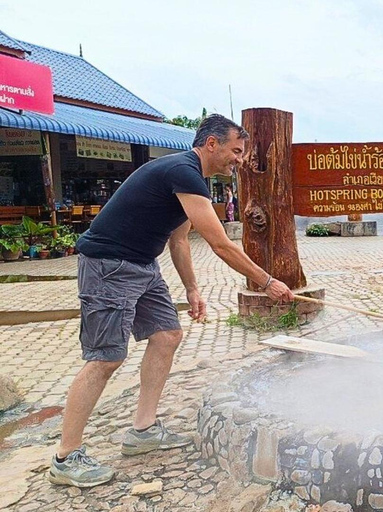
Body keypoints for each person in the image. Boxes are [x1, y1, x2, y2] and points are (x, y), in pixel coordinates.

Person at [49, 114, 295, 488]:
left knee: (167, 335)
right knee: (106, 357)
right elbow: (220, 243)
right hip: (108, 263)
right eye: (236, 151)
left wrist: (193, 289)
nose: (240, 160)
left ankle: (143, 431)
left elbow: (179, 240)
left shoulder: (192, 180)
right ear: (211, 144)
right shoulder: (183, 170)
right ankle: (66, 457)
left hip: (142, 263)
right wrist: (266, 281)